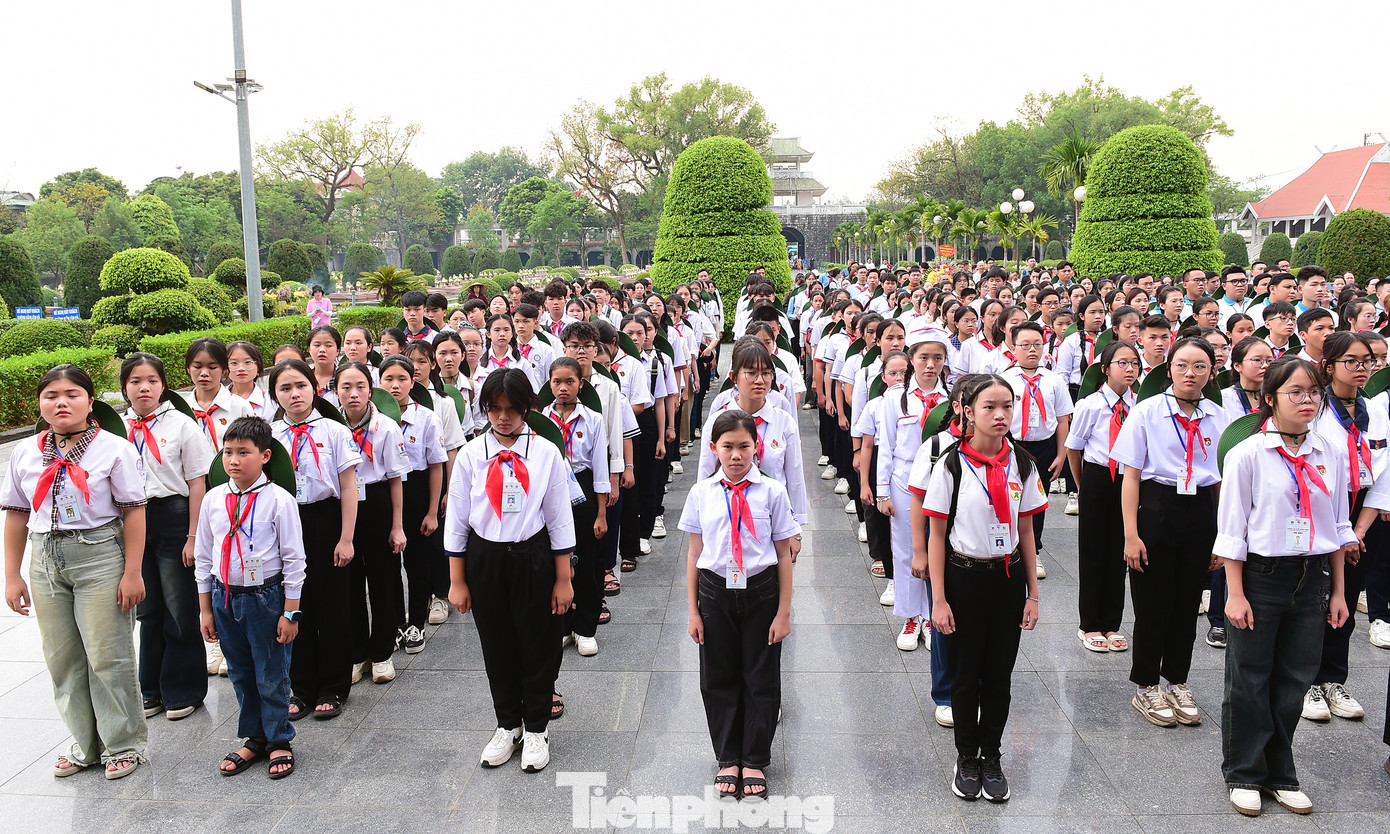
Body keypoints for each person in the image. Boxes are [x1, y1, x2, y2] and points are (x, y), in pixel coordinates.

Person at [1217, 357, 1355, 816]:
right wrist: (1234, 594)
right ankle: (1244, 772)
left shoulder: (1328, 451)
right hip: (1261, 576)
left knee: (1295, 680)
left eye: (1314, 392)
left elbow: (1336, 525)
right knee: (1249, 678)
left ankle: (1281, 773)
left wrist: (1337, 591)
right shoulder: (1249, 454)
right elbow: (1232, 531)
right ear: (1269, 398)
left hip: (1311, 575)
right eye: (1296, 392)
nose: (1308, 401)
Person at [3, 365, 148, 779]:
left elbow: (134, 512)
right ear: (40, 403)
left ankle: (123, 744)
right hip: (45, 556)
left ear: (90, 400)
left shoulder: (113, 448)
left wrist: (132, 572)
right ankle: (85, 745)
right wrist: (13, 576)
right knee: (62, 658)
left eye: (71, 394)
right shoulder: (27, 453)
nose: (61, 402)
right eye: (51, 395)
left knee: (107, 654)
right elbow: (16, 515)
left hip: (100, 553)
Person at [919, 374, 1044, 802]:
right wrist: (938, 599)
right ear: (967, 413)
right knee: (965, 674)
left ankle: (991, 756)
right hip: (963, 577)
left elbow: (1026, 530)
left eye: (1007, 406)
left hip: (1006, 578)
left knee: (999, 675)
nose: (1000, 415)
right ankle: (966, 758)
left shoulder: (1022, 463)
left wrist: (1033, 593)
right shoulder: (951, 464)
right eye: (989, 407)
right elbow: (937, 534)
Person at [445, 368, 576, 773]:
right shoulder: (470, 455)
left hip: (533, 556)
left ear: (527, 408)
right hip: (486, 558)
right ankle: (508, 725)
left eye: (513, 409)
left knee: (537, 641)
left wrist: (563, 579)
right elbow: (457, 519)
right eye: (495, 409)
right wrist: (457, 580)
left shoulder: (545, 453)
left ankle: (536, 727)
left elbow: (559, 518)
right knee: (496, 644)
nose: (504, 417)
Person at [1111, 337, 1231, 727]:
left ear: (1211, 372)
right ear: (1168, 369)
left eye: (1200, 366)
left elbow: (1221, 484)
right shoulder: (1147, 412)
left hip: (1200, 511)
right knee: (1152, 602)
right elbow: (1130, 476)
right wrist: (1131, 534)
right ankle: (1146, 685)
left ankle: (1177, 680)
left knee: (1186, 603)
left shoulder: (1218, 415)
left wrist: (1222, 534)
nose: (1190, 373)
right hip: (1156, 506)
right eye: (1181, 365)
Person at [683, 409, 798, 802]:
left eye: (744, 446)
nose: (736, 455)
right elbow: (695, 551)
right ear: (713, 448)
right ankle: (727, 756)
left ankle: (754, 758)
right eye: (727, 447)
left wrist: (784, 612)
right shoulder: (702, 493)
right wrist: (693, 610)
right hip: (714, 593)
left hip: (761, 592)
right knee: (718, 677)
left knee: (761, 676)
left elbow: (783, 554)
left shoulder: (772, 492)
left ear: (757, 448)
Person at [195, 416, 306, 779]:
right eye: (228, 452)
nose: (234, 460)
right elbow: (204, 557)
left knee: (271, 674)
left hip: (266, 598)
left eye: (244, 452)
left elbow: (294, 560)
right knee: (241, 674)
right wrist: (205, 610)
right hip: (224, 596)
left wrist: (291, 614)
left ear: (264, 456)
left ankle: (278, 740)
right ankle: (254, 737)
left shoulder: (279, 500)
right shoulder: (213, 499)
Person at [121, 354, 213, 721]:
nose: (144, 388)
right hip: (131, 519)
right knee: (148, 608)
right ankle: (151, 688)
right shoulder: (114, 428)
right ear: (124, 387)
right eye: (135, 381)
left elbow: (197, 483)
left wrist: (193, 536)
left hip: (174, 517)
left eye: (152, 381)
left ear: (163, 385)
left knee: (179, 607)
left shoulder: (181, 425)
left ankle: (183, 687)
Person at [269, 359, 361, 720]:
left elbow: (349, 487)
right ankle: (301, 686)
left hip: (327, 518)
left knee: (333, 605)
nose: (295, 394)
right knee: (294, 604)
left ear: (315, 388)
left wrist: (346, 538)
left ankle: (334, 687)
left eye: (301, 386)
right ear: (275, 395)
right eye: (285, 388)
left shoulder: (335, 431)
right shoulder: (271, 435)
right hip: (286, 523)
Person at [1304, 332, 1385, 722]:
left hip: (1362, 512)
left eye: (1367, 361)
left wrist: (1360, 529)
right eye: (1351, 361)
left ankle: (1334, 677)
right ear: (1329, 365)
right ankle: (1305, 680)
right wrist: (1337, 528)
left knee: (1347, 596)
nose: (1361, 369)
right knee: (1313, 596)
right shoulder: (1314, 409)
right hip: (1316, 510)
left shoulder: (1377, 410)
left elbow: (1384, 473)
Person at [335, 361, 408, 685]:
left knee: (382, 582)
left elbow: (395, 480)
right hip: (341, 507)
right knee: (347, 584)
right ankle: (355, 653)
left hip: (377, 504)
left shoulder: (386, 428)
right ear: (335, 390)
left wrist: (397, 525)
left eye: (360, 386)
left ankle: (381, 653)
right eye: (346, 387)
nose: (353, 394)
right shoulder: (330, 427)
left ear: (371, 388)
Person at [1064, 341, 1140, 653]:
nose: (1130, 369)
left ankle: (1112, 622)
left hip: (1131, 479)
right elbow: (1074, 448)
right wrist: (1084, 487)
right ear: (1106, 369)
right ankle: (1089, 623)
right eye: (1122, 363)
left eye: (1134, 363)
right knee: (1094, 551)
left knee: (1120, 551)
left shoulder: (1141, 406)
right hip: (1097, 477)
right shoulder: (1091, 405)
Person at [875, 333, 949, 649]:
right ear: (911, 359)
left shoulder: (953, 398)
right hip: (904, 481)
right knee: (906, 550)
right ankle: (909, 616)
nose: (930, 365)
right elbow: (886, 446)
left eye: (937, 358)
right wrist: (882, 492)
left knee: (938, 548)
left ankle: (932, 614)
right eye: (923, 358)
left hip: (942, 481)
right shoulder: (895, 398)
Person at [380, 354, 448, 653]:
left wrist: (432, 511)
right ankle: (394, 622)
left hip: (418, 491)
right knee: (387, 565)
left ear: (413, 381)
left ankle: (415, 624)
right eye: (388, 379)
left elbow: (436, 466)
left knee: (418, 564)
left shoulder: (426, 418)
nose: (395, 385)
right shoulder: (374, 419)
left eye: (402, 379)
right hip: (384, 494)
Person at [543, 357, 609, 656]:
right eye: (557, 381)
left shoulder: (592, 418)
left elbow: (600, 468)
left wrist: (601, 512)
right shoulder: (540, 419)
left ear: (581, 384)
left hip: (582, 488)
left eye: (570, 381)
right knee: (557, 562)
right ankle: (561, 626)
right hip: (552, 490)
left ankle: (585, 628)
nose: (563, 387)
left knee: (585, 562)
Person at [999, 321, 1072, 574]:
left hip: (1045, 446)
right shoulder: (1005, 379)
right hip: (1013, 445)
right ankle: (1009, 547)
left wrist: (1061, 455)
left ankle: (1035, 550)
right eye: (1025, 345)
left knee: (1037, 500)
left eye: (1037, 344)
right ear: (1013, 347)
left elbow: (1063, 420)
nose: (1032, 350)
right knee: (1010, 497)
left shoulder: (1054, 380)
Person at [184, 337, 254, 455]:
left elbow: (251, 448)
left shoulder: (240, 407)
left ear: (224, 370)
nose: (204, 373)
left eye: (212, 367)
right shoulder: (181, 409)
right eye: (197, 366)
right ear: (188, 369)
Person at [227, 341, 276, 420]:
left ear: (258, 366)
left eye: (247, 362)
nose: (241, 368)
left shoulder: (270, 402)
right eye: (234, 363)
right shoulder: (217, 401)